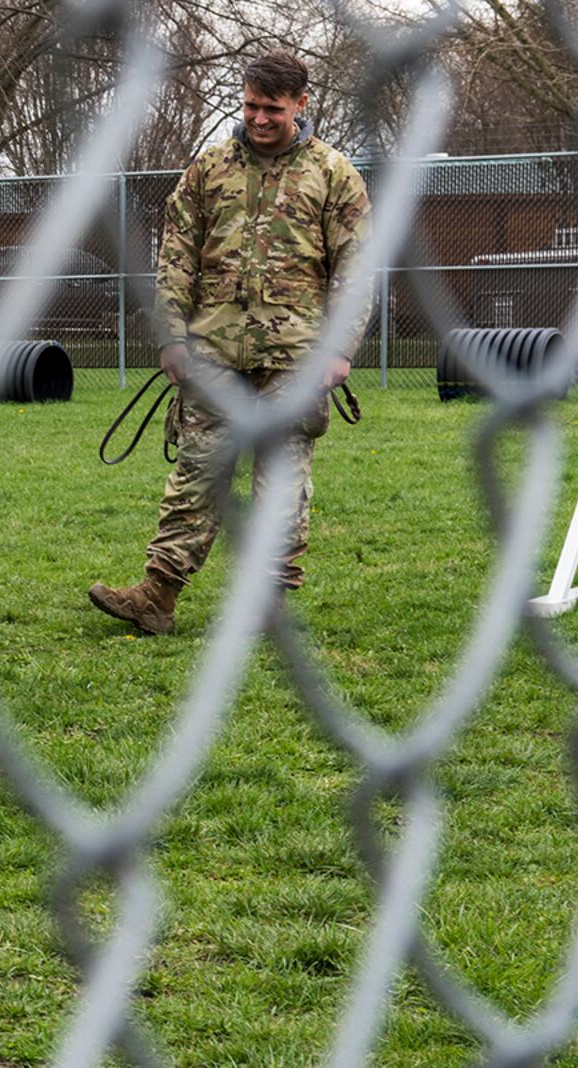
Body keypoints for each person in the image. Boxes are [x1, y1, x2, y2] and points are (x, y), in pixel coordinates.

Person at [89, 48, 371, 635]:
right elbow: (174, 260)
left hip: (296, 356)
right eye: (249, 105)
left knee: (282, 482)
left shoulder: (333, 173)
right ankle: (156, 597)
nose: (259, 118)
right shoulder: (208, 169)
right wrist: (171, 339)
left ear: (300, 103)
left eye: (272, 108)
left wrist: (340, 349)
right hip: (212, 354)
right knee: (196, 473)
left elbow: (357, 267)